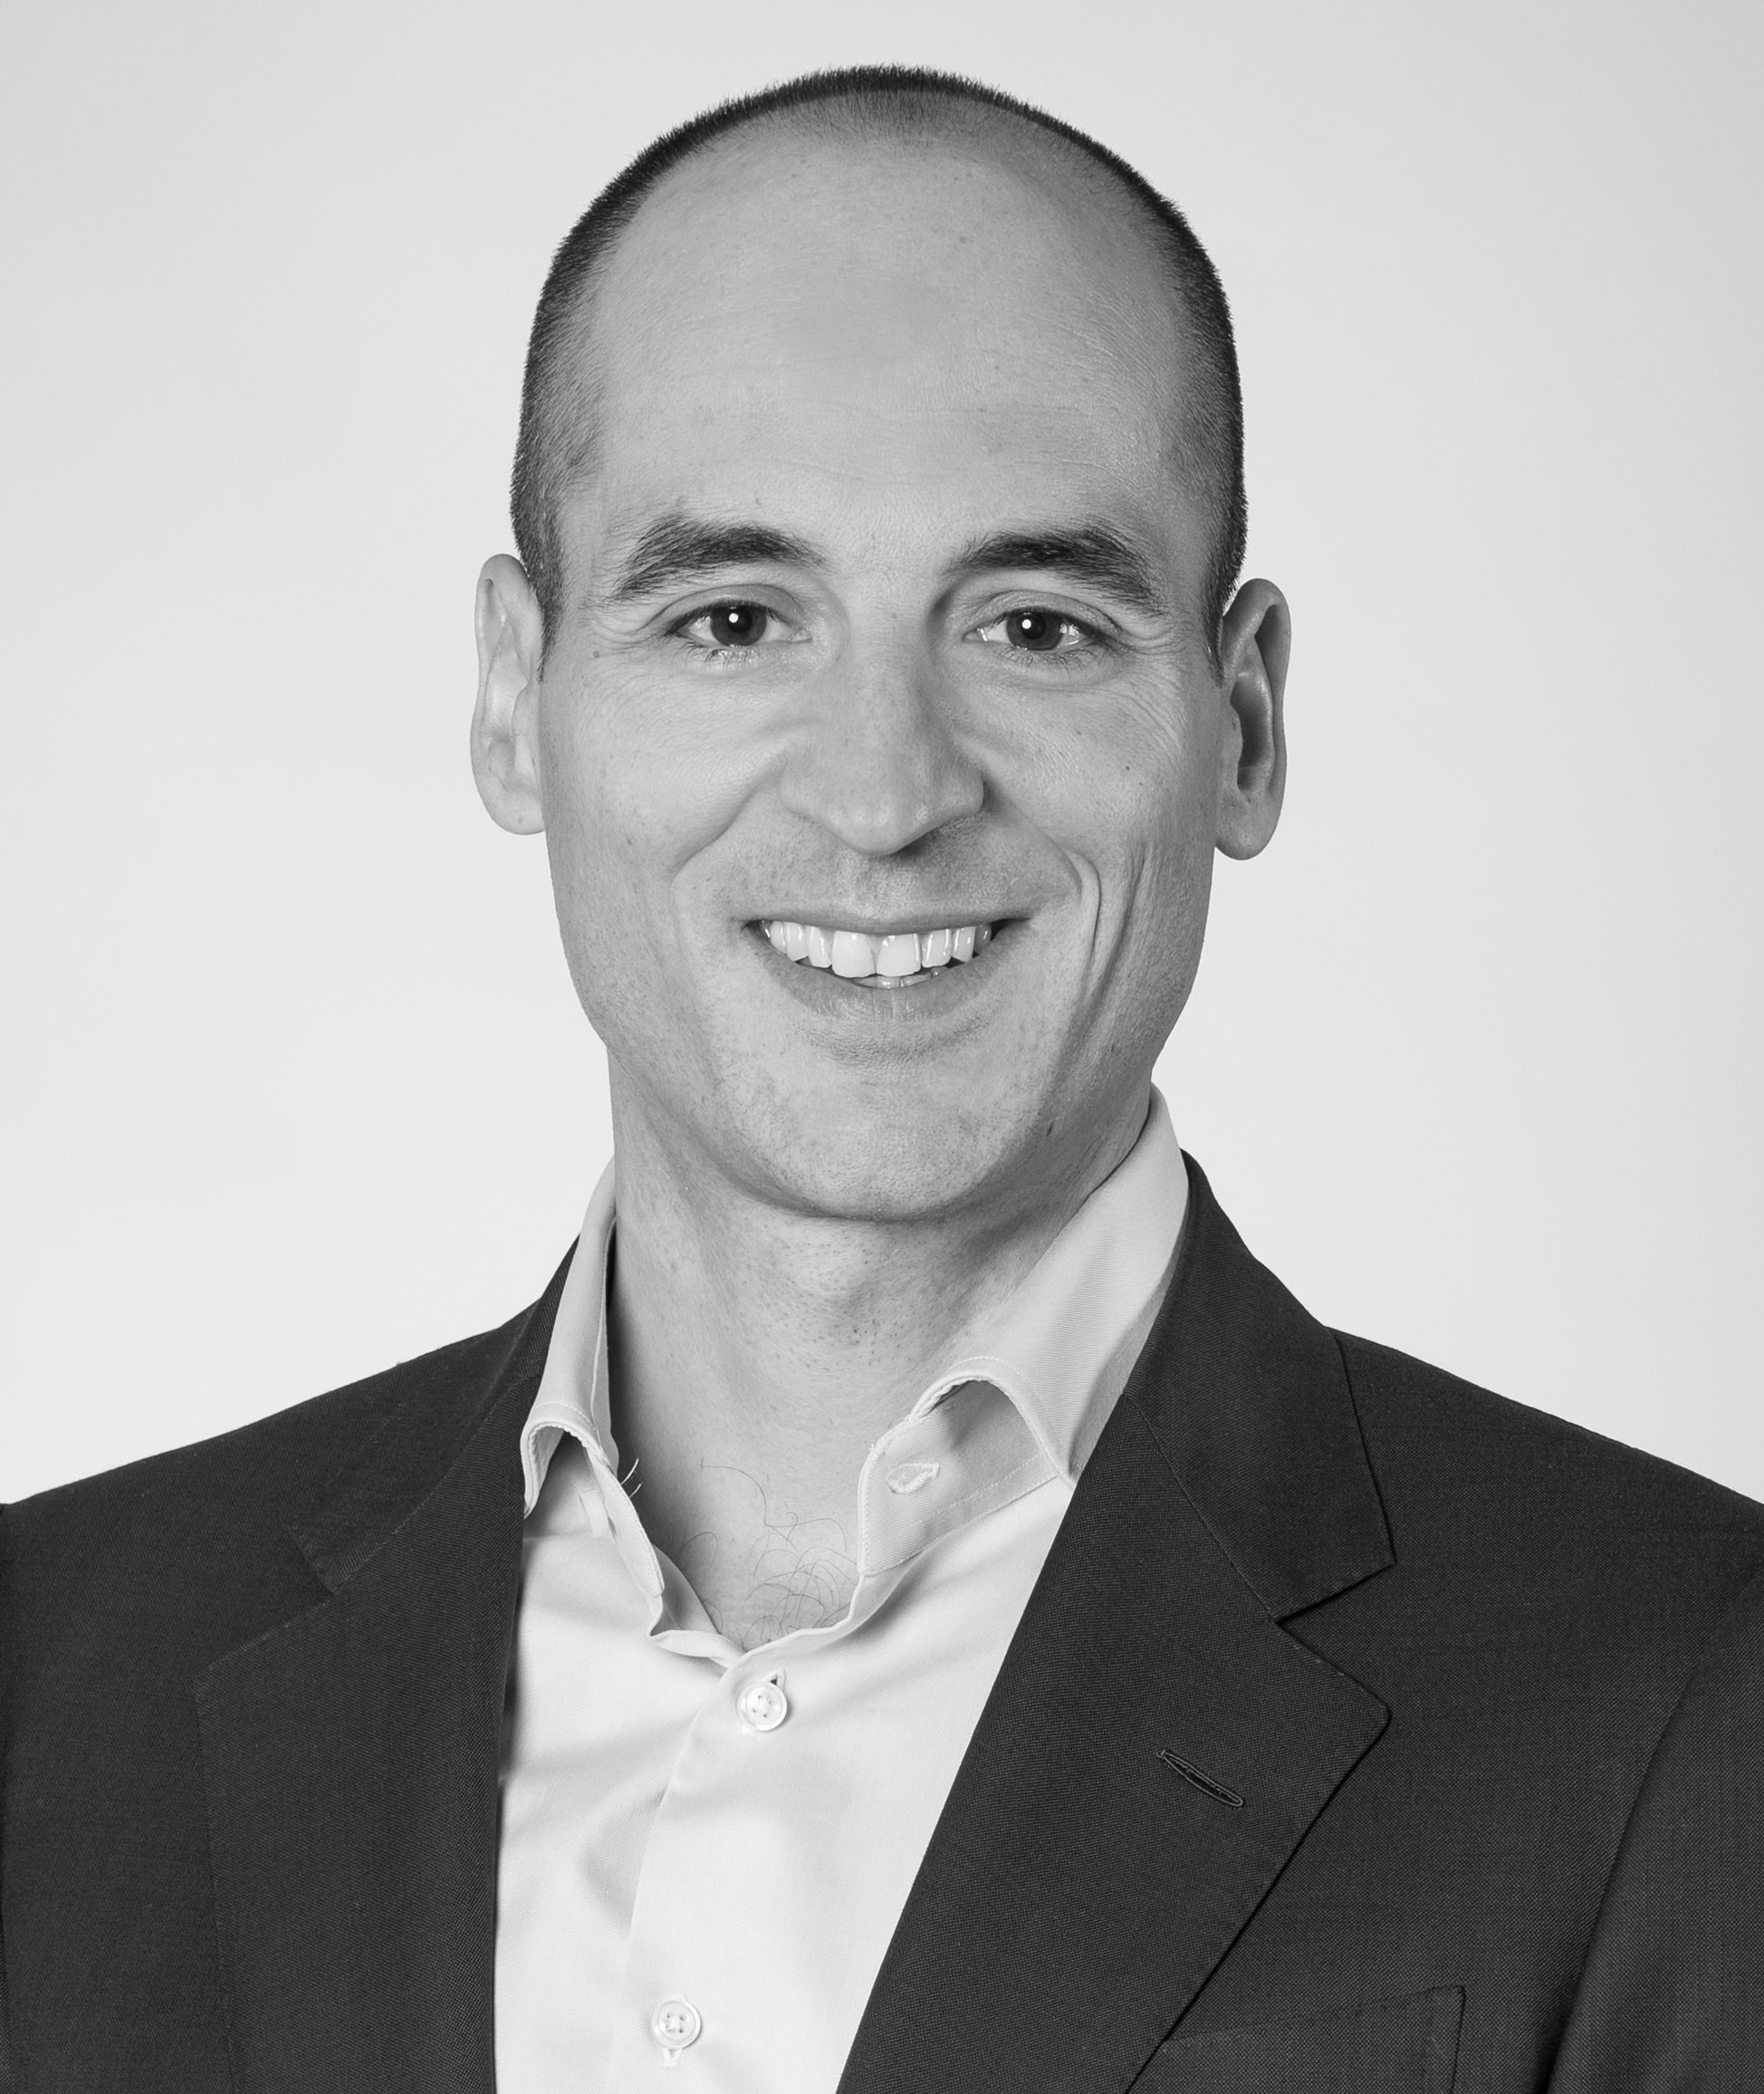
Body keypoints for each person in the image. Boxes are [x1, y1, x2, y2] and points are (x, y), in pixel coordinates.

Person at [2, 62, 1759, 2094]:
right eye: (734, 617)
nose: (883, 793)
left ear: (1245, 724)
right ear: (513, 695)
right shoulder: (45, 1676)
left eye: (1035, 625)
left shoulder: (1688, 1705)